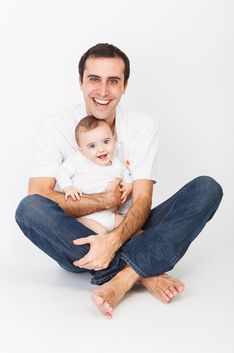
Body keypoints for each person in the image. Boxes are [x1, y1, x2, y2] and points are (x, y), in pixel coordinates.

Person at [15, 43, 223, 319]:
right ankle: (143, 273)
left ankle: (122, 280)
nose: (103, 91)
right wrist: (105, 201)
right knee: (29, 209)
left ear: (125, 86)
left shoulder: (141, 126)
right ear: (80, 82)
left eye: (113, 81)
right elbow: (40, 195)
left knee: (207, 188)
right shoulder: (54, 127)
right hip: (81, 238)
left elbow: (142, 200)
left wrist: (114, 240)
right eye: (94, 79)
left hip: (129, 228)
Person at [56, 115, 132, 234]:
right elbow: (61, 172)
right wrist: (68, 187)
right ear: (81, 150)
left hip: (110, 216)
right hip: (88, 217)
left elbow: (128, 177)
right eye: (92, 146)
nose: (101, 149)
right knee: (102, 234)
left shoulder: (117, 164)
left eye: (106, 142)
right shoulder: (79, 160)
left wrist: (129, 185)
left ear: (114, 140)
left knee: (133, 229)